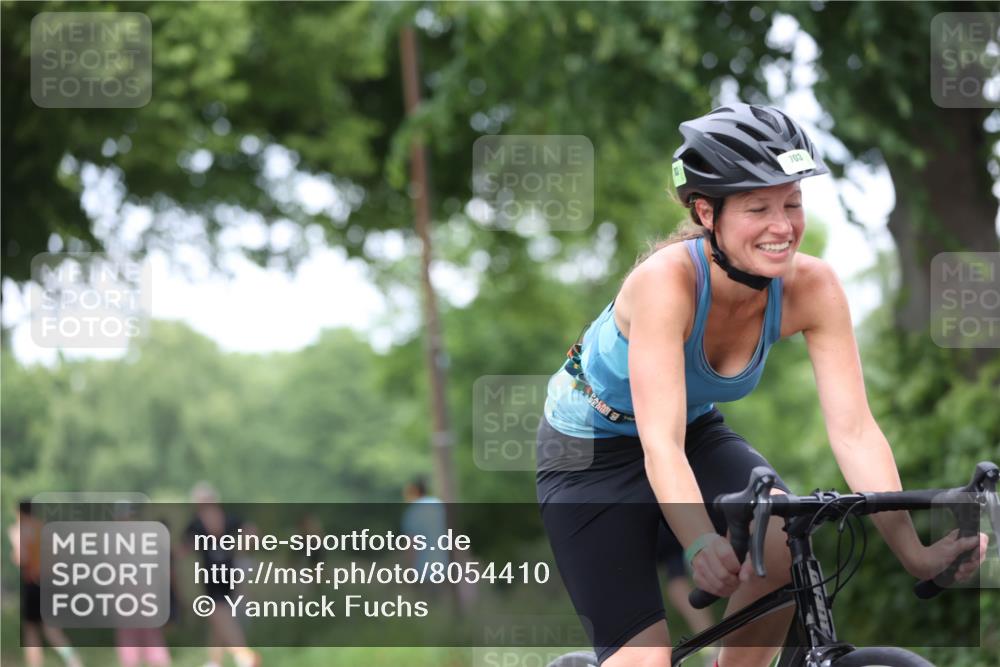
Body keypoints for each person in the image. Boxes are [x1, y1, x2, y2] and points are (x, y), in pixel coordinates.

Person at [535, 103, 989, 667]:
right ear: (706, 211)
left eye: (792, 203)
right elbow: (659, 444)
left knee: (779, 537)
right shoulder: (665, 283)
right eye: (758, 207)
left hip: (694, 434)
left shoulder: (813, 286)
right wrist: (700, 542)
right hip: (588, 457)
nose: (783, 225)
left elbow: (854, 431)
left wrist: (915, 553)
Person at [182, 482, 261, 667]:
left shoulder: (198, 522)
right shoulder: (225, 518)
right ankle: (214, 661)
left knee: (220, 613)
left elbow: (186, 546)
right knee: (220, 617)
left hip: (214, 575)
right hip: (228, 572)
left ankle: (244, 655)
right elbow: (252, 530)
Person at [8, 500, 84, 667]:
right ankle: (74, 661)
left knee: (31, 631)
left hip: (32, 584)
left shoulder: (19, 530)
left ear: (19, 512)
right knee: (52, 630)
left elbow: (21, 558)